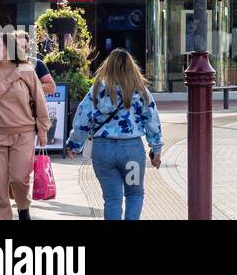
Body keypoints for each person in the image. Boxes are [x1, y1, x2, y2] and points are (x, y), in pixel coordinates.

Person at [63, 48, 163, 220]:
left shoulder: (96, 91)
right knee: (134, 194)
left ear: (107, 67)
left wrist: (74, 145)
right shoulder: (140, 91)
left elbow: (82, 119)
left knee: (112, 199)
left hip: (103, 150)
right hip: (132, 150)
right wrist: (156, 149)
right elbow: (152, 120)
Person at [0, 31, 49, 221]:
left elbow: (40, 101)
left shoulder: (27, 70)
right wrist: (10, 79)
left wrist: (42, 129)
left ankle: (23, 207)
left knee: (19, 178)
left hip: (23, 133)